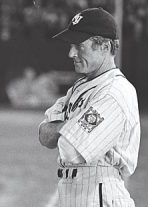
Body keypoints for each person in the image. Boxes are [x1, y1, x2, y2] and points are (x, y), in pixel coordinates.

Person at [38, 8, 140, 207]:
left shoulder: (115, 92)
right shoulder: (80, 86)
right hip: (80, 191)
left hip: (99, 193)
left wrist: (62, 126)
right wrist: (72, 125)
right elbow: (44, 134)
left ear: (104, 46)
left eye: (79, 46)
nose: (71, 53)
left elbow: (72, 150)